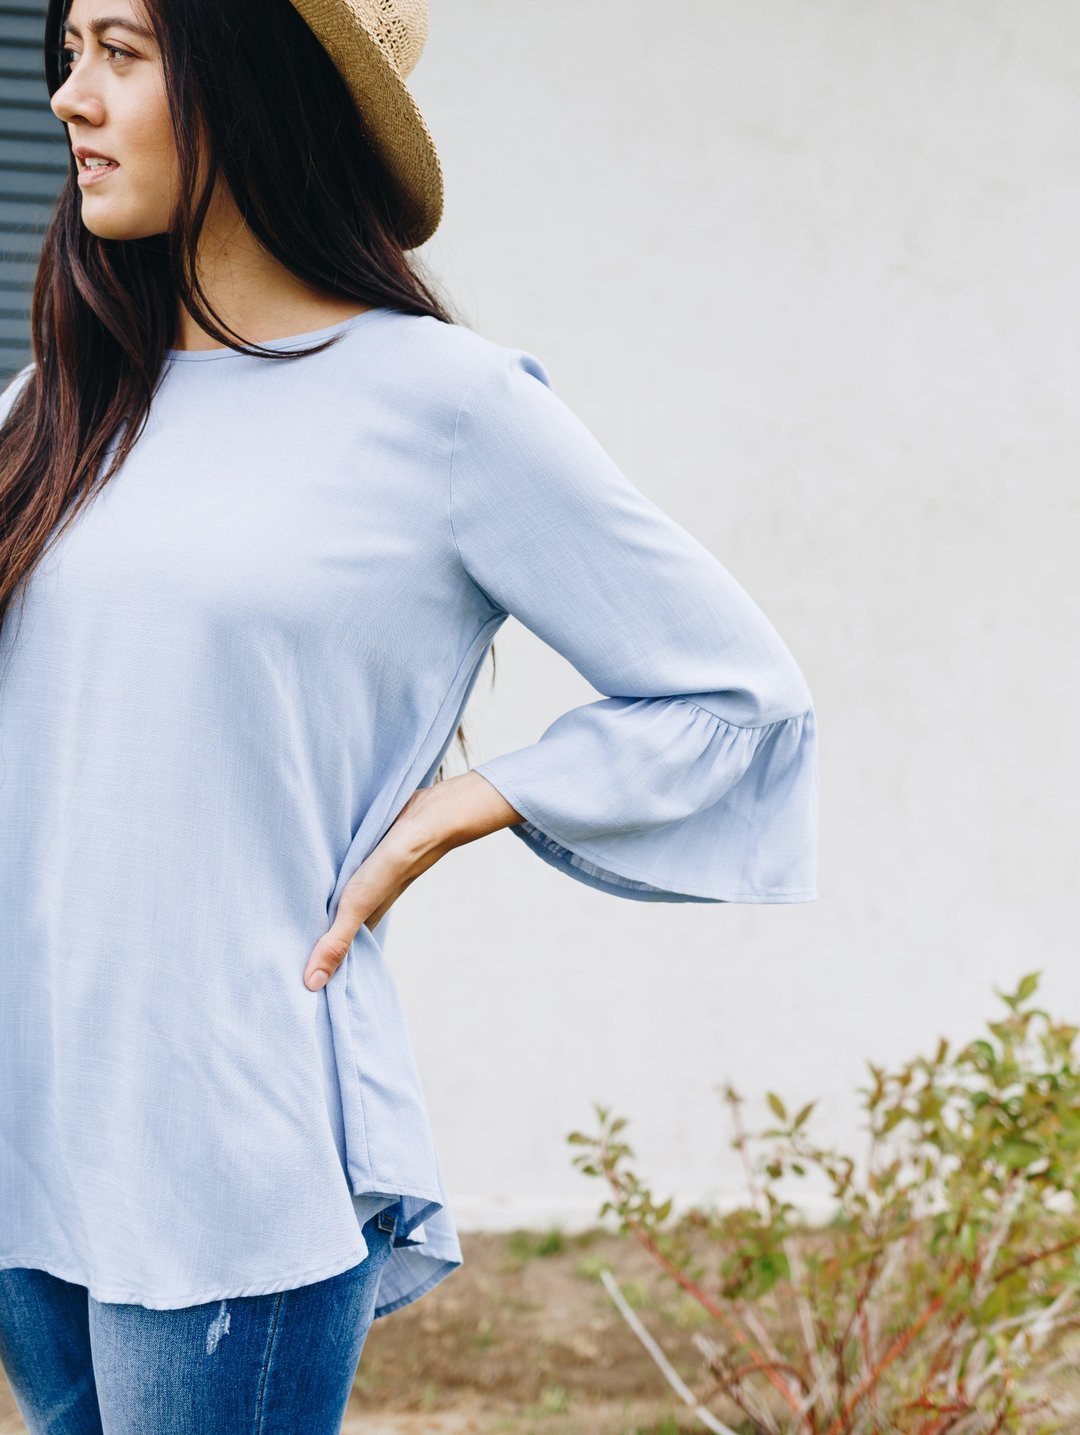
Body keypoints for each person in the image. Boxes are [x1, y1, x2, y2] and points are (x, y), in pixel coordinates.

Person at [0, 0, 820, 1429]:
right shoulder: (57, 403)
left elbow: (735, 695)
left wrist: (462, 804)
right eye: (67, 49)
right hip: (33, 1126)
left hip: (220, 1153)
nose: (71, 94)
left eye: (120, 52)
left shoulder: (442, 407)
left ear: (250, 80)